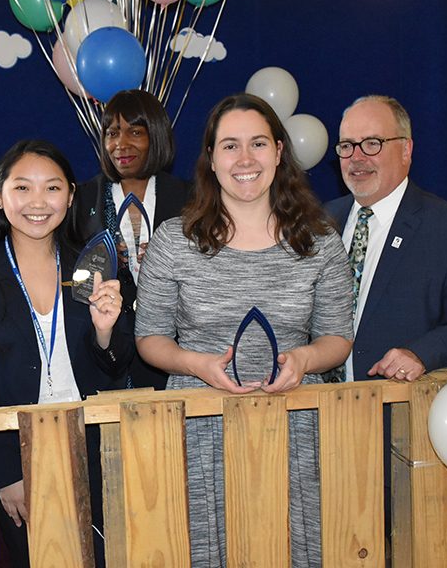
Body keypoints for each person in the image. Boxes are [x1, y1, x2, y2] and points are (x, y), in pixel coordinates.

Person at [135, 93, 353, 567]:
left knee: (299, 550)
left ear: (279, 151)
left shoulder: (320, 240)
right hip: (199, 428)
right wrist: (196, 364)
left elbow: (338, 336)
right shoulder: (175, 241)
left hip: (298, 429)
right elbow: (149, 337)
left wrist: (305, 360)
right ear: (211, 160)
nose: (245, 159)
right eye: (229, 146)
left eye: (258, 143)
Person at [0, 139, 132, 568]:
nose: (38, 202)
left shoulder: (93, 262)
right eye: (22, 188)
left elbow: (118, 363)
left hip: (95, 442)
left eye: (51, 188)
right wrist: (7, 470)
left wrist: (105, 332)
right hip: (19, 450)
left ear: (70, 196)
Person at [325, 95, 447, 383]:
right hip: (317, 413)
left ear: (406, 150)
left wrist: (420, 354)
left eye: (372, 143)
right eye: (347, 146)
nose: (357, 157)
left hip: (400, 414)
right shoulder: (319, 222)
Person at [73, 89, 190, 390]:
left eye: (135, 132)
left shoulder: (192, 200)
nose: (121, 144)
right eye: (112, 133)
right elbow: (72, 275)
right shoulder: (82, 200)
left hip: (180, 360)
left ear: (157, 136)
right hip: (107, 357)